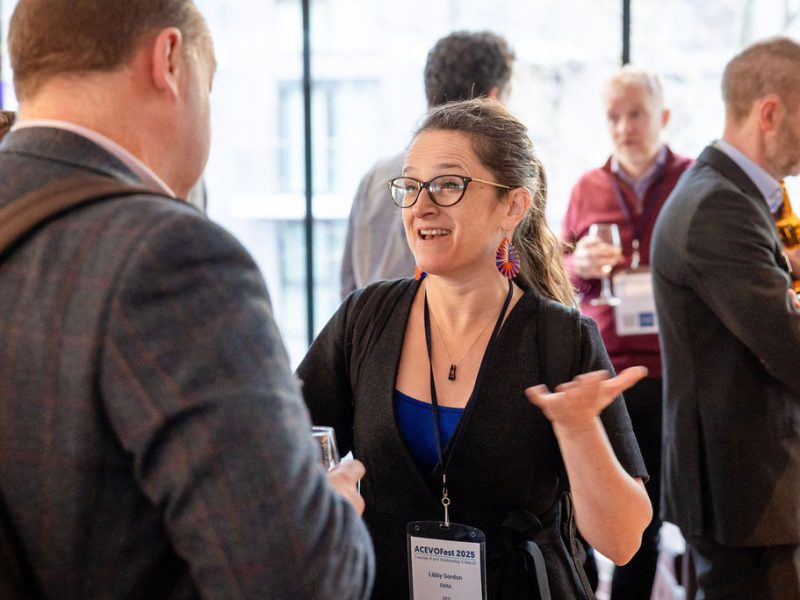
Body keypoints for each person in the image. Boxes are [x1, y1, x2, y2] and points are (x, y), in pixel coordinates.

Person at [0, 1, 373, 597]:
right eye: (210, 84)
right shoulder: (172, 255)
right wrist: (329, 514)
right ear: (169, 60)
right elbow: (302, 580)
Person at [299, 98, 652, 599]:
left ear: (512, 206)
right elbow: (284, 448)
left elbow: (622, 542)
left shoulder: (559, 338)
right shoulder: (366, 319)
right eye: (411, 186)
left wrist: (577, 428)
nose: (422, 205)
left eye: (448, 184)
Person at [652, 36, 800, 599]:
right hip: (743, 487)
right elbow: (789, 342)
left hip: (748, 478)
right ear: (770, 113)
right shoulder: (719, 204)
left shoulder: (727, 194)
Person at [561, 66, 692, 599]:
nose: (624, 127)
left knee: (654, 512)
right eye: (614, 116)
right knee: (598, 508)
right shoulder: (587, 186)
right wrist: (582, 267)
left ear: (661, 116)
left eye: (635, 114)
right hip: (607, 371)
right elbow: (561, 273)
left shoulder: (692, 180)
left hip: (674, 369)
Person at [339, 30, 515, 298]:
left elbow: (348, 285)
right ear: (493, 98)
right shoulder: (494, 182)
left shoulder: (376, 178)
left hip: (371, 336)